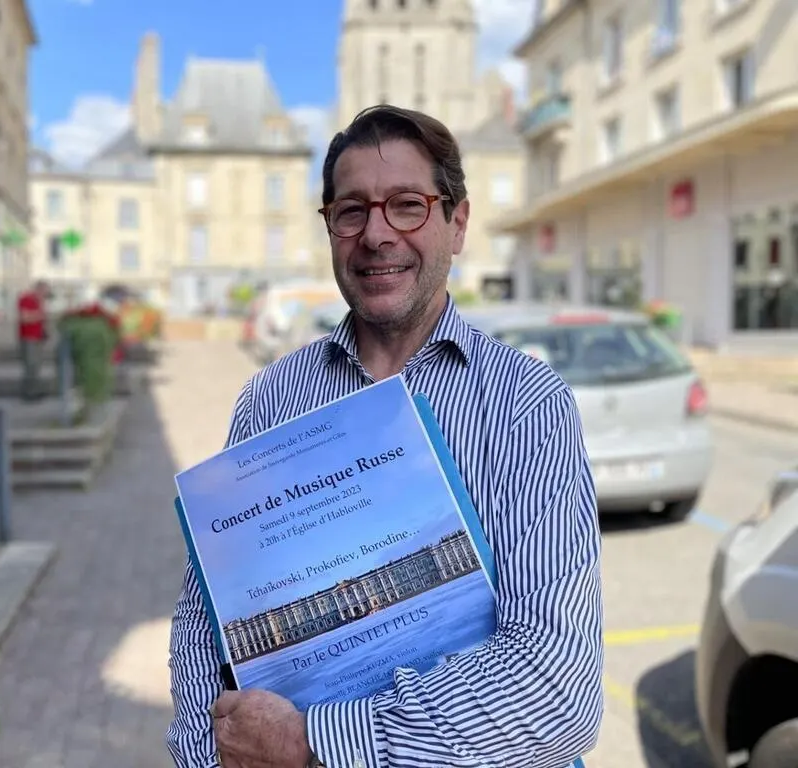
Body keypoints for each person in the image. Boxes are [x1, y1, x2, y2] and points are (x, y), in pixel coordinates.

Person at [166, 105, 604, 768]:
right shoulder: (271, 398)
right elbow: (206, 628)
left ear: (458, 223)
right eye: (351, 211)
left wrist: (309, 743)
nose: (376, 234)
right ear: (330, 229)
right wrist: (209, 756)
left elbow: (556, 695)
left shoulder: (525, 404)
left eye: (407, 205)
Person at [16, 280, 50, 400]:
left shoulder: (39, 301)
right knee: (30, 366)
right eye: (44, 291)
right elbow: (24, 317)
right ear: (38, 289)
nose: (45, 294)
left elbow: (41, 319)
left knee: (36, 367)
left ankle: (35, 391)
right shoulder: (26, 299)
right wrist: (39, 315)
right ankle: (28, 393)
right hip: (28, 338)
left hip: (38, 338)